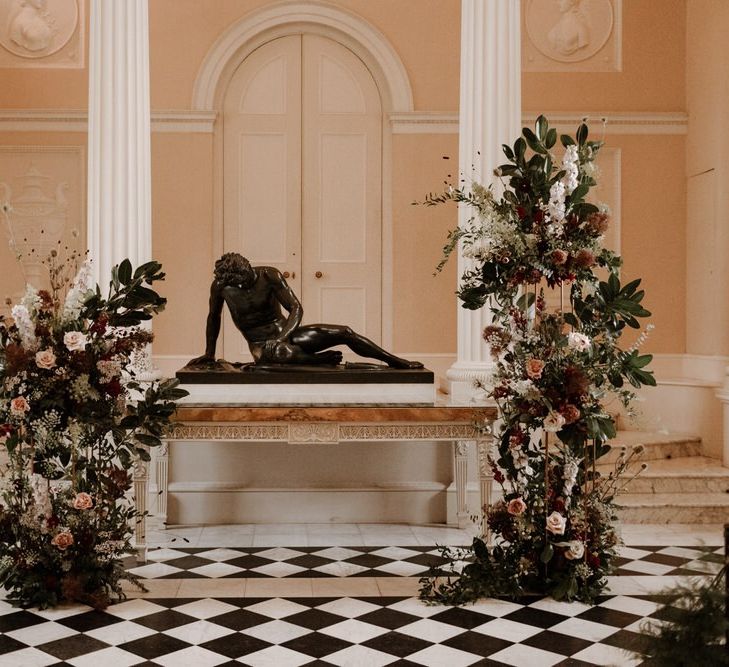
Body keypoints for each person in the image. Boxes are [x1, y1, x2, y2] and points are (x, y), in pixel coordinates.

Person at [188, 252, 423, 369]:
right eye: (243, 281)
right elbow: (213, 318)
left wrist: (282, 336)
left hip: (287, 333)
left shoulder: (268, 275)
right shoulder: (222, 287)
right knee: (281, 355)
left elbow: (296, 308)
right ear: (234, 283)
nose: (249, 280)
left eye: (250, 274)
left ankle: (395, 362)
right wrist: (209, 354)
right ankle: (319, 361)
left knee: (344, 332)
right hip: (262, 346)